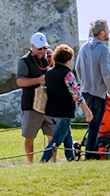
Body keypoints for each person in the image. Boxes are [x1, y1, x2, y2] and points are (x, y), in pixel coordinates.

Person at [40, 45, 91, 162]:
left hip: (51, 111)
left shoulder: (49, 73)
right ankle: (42, 161)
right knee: (56, 140)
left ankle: (71, 160)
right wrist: (87, 111)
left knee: (68, 138)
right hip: (64, 112)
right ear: (68, 59)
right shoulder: (67, 74)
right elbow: (76, 95)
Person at [74, 19, 110, 159]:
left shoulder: (84, 47)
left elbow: (77, 68)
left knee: (91, 125)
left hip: (85, 91)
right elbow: (106, 73)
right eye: (108, 29)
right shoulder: (103, 49)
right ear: (103, 32)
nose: (109, 32)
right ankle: (91, 155)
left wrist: (82, 83)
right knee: (95, 127)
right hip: (98, 93)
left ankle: (91, 153)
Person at [16, 32, 55, 164]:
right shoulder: (24, 61)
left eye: (44, 48)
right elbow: (20, 81)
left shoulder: (48, 59)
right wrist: (38, 80)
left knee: (52, 136)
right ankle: (30, 163)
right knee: (30, 136)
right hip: (31, 105)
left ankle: (52, 162)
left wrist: (52, 57)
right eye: (39, 48)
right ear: (32, 46)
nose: (42, 51)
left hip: (48, 105)